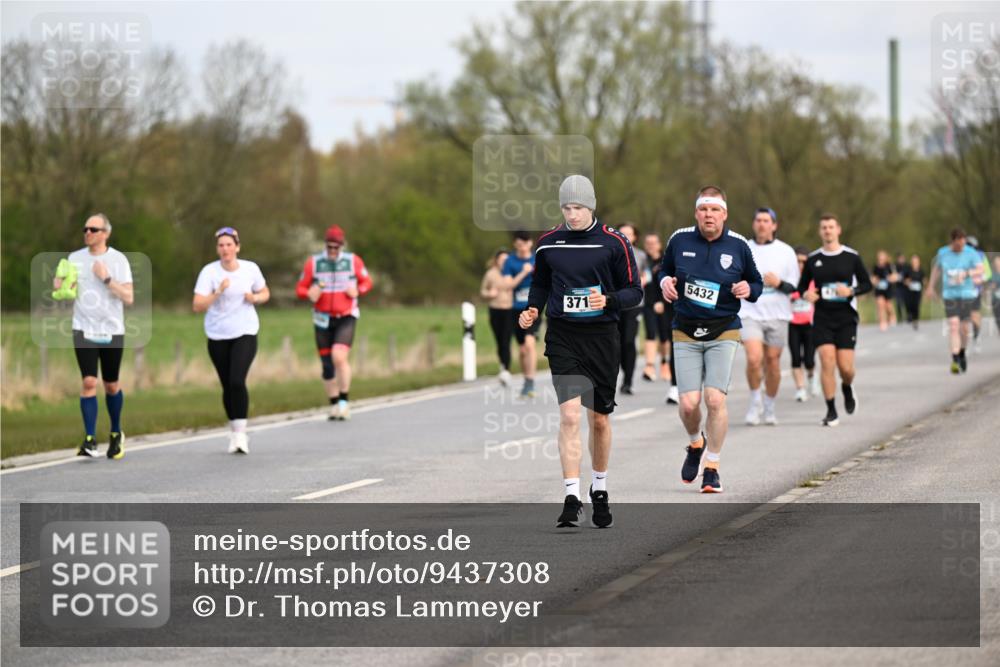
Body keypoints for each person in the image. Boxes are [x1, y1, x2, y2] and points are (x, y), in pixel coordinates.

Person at [520, 175, 641, 528]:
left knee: (599, 419)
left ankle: (599, 489)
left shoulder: (615, 243)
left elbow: (635, 291)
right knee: (570, 416)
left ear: (591, 207)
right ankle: (571, 496)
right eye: (567, 208)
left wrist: (610, 300)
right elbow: (540, 284)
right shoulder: (548, 244)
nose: (572, 215)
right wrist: (532, 309)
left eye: (578, 208)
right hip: (564, 336)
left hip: (603, 335)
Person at [658, 186, 763, 493]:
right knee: (689, 404)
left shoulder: (738, 245)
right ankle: (695, 443)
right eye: (704, 209)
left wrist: (748, 289)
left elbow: (756, 283)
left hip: (724, 329)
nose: (709, 215)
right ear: (696, 213)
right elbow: (663, 269)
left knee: (715, 399)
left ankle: (712, 467)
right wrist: (665, 281)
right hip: (686, 329)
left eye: (715, 210)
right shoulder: (679, 239)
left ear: (724, 214)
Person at [57, 213, 134, 459]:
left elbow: (129, 297)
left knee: (111, 384)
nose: (88, 233)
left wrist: (107, 278)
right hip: (83, 327)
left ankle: (115, 432)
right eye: (85, 229)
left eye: (93, 229)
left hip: (112, 329)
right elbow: (66, 289)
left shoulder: (118, 259)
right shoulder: (74, 258)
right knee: (89, 381)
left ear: (105, 233)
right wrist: (61, 286)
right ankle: (90, 439)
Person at [193, 227, 270, 454]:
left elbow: (265, 292)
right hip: (217, 334)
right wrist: (217, 292)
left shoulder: (250, 269)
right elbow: (197, 306)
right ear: (217, 249)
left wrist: (255, 297)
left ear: (237, 246)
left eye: (229, 244)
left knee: (237, 380)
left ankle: (241, 434)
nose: (225, 249)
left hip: (245, 331)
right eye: (221, 245)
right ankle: (234, 430)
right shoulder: (209, 272)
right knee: (227, 385)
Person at [797, 214, 872, 427]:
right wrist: (806, 295)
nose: (828, 231)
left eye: (831, 227)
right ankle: (831, 410)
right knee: (827, 360)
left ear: (838, 230)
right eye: (824, 227)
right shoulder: (813, 259)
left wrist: (851, 290)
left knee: (846, 368)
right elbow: (802, 286)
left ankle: (847, 387)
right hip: (822, 317)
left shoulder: (851, 257)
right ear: (820, 231)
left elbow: (867, 284)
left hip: (846, 317)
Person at [296, 224, 373, 420]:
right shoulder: (313, 263)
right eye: (329, 247)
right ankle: (333, 404)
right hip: (322, 318)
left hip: (346, 316)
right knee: (327, 365)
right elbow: (300, 289)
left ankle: (344, 402)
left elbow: (367, 282)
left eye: (336, 248)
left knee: (339, 357)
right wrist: (309, 294)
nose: (332, 251)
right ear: (325, 245)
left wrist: (358, 291)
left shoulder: (353, 261)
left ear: (342, 246)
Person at [739, 207, 800, 426]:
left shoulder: (786, 251)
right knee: (754, 359)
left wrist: (778, 283)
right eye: (758, 220)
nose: (762, 224)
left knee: (773, 362)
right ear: (754, 224)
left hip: (778, 314)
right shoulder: (743, 247)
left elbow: (794, 285)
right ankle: (755, 400)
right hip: (749, 312)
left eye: (766, 220)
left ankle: (769, 404)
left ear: (774, 225)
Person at [927, 228, 983, 374]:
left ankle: (962, 352)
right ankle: (955, 358)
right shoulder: (943, 253)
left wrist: (967, 273)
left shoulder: (970, 253)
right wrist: (930, 286)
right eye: (958, 245)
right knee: (953, 325)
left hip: (966, 295)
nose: (961, 247)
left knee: (964, 328)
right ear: (953, 242)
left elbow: (981, 269)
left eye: (963, 244)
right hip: (950, 295)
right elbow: (937, 269)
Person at [641, 232, 678, 403]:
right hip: (647, 303)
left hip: (664, 303)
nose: (650, 245)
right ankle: (649, 367)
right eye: (648, 242)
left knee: (665, 335)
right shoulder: (642, 260)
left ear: (659, 243)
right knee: (650, 332)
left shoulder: (665, 260)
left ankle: (664, 363)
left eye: (653, 242)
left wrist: (663, 301)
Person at [503, 231, 539, 397]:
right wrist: (524, 272)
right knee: (523, 349)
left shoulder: (538, 258)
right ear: (515, 245)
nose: (522, 247)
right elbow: (508, 285)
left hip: (533, 308)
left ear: (530, 244)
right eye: (519, 244)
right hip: (516, 309)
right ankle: (526, 381)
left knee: (530, 344)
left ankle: (531, 383)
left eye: (525, 244)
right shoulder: (510, 261)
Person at [616, 223, 647, 395]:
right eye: (623, 233)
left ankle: (628, 381)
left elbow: (644, 275)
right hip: (614, 303)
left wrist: (641, 282)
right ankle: (622, 370)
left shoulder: (640, 255)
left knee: (628, 341)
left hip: (634, 304)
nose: (626, 236)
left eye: (629, 234)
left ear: (635, 237)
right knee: (616, 342)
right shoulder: (610, 251)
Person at [789, 246, 820, 402]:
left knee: (809, 359)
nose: (800, 265)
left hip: (810, 323)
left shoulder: (813, 279)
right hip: (792, 323)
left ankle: (812, 377)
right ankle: (800, 389)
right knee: (795, 358)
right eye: (797, 261)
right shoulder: (789, 279)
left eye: (803, 261)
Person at [480, 249, 514, 385]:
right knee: (499, 340)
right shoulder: (490, 274)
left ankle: (506, 369)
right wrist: (489, 293)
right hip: (495, 309)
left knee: (506, 339)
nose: (505, 262)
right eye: (502, 259)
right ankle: (502, 365)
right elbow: (482, 291)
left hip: (509, 309)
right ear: (497, 260)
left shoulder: (512, 273)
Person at [966, 236, 990, 353]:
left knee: (975, 314)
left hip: (975, 290)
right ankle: (964, 343)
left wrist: (979, 279)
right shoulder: (962, 255)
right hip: (963, 291)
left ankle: (976, 336)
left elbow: (987, 273)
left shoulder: (981, 255)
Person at [872, 250, 897, 331]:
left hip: (888, 289)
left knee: (888, 306)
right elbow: (873, 278)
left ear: (885, 258)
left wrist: (890, 278)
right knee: (880, 305)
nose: (881, 259)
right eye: (879, 258)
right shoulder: (876, 267)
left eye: (882, 257)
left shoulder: (889, 266)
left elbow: (894, 276)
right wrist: (874, 281)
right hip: (879, 289)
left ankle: (892, 315)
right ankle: (883, 322)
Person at [902, 254, 924, 329]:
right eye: (913, 261)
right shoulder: (908, 270)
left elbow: (924, 280)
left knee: (916, 305)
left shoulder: (921, 270)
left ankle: (916, 320)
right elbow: (903, 280)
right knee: (909, 304)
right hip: (909, 291)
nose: (915, 263)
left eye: (916, 261)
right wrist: (907, 282)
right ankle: (909, 315)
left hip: (918, 291)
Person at [893, 251, 908, 325]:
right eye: (900, 259)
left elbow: (909, 276)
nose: (901, 260)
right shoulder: (895, 267)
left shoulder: (907, 267)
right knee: (899, 302)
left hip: (906, 287)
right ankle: (900, 317)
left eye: (902, 258)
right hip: (898, 287)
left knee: (906, 302)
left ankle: (908, 316)